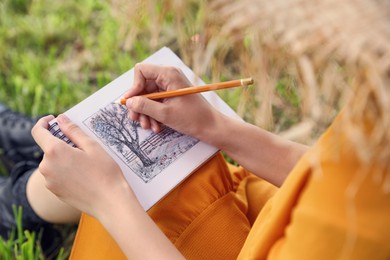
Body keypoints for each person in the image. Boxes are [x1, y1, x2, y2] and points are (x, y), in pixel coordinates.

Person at [1, 58, 389, 259]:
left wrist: (110, 200)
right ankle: (35, 180)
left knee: (140, 189)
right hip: (276, 221)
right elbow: (343, 183)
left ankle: (22, 198)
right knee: (170, 162)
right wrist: (214, 127)